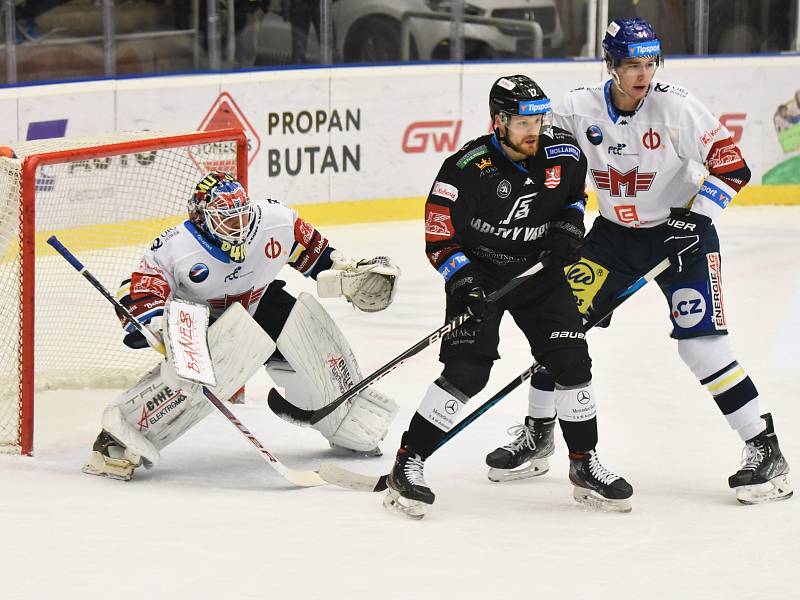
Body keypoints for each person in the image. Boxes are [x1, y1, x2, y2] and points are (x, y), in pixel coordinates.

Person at [486, 18, 792, 505]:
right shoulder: (576, 108)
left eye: (650, 63)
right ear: (610, 65)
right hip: (612, 241)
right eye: (631, 65)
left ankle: (765, 449)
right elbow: (548, 162)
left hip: (681, 237)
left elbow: (733, 167)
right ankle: (540, 432)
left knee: (702, 348)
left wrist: (696, 220)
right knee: (559, 328)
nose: (643, 75)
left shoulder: (678, 106)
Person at [382, 75, 634, 520]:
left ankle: (583, 463)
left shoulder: (564, 153)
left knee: (571, 361)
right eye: (522, 121)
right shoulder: (465, 169)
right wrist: (464, 283)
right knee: (467, 372)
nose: (534, 129)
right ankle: (410, 460)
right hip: (481, 277)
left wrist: (567, 230)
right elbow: (440, 239)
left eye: (538, 118)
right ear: (498, 122)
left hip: (540, 274)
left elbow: (573, 200)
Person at [83, 171, 401, 481]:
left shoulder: (276, 221)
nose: (237, 226)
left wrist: (348, 276)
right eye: (226, 217)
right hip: (204, 325)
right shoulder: (176, 246)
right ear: (201, 217)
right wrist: (148, 321)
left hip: (259, 303)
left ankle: (345, 421)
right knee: (210, 367)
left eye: (241, 214)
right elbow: (140, 287)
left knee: (306, 327)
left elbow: (321, 259)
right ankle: (120, 437)